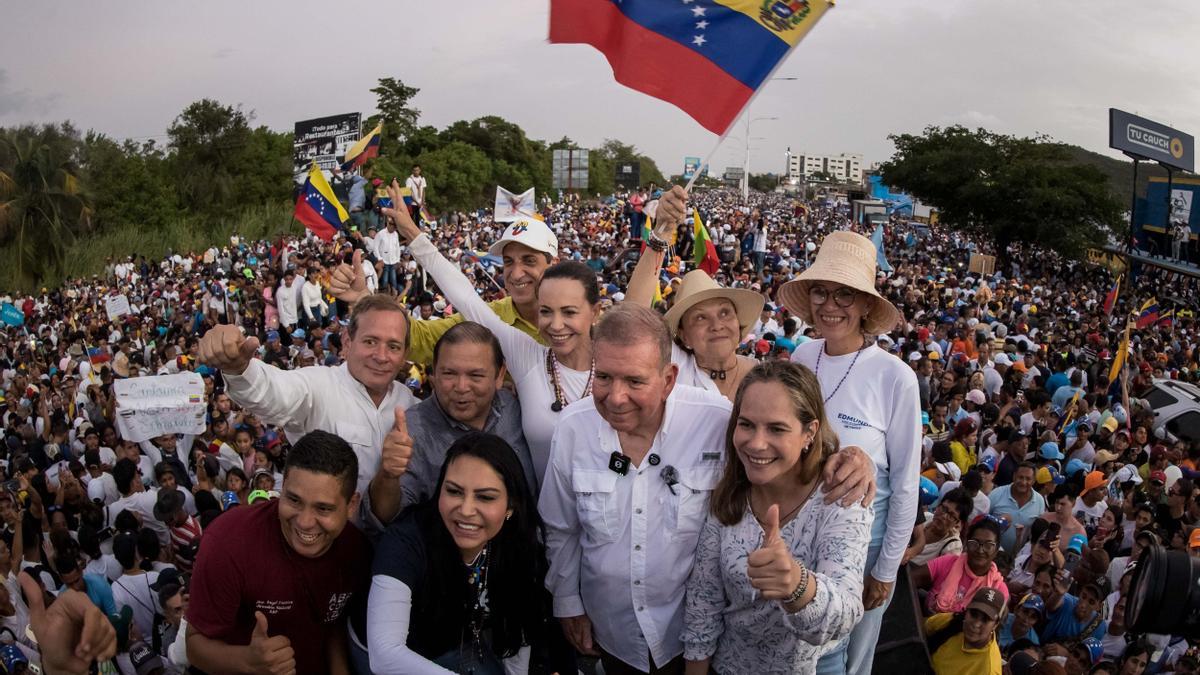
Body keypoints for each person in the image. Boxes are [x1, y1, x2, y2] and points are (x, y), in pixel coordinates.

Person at [540, 305, 874, 675]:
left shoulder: (716, 419)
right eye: (603, 377)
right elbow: (561, 528)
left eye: (634, 381)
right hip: (615, 637)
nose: (616, 397)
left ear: (668, 379)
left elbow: (782, 434)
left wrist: (855, 458)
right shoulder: (572, 429)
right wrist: (568, 603)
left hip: (693, 643)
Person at [380, 191, 599, 486]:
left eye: (570, 312)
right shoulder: (524, 352)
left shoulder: (611, 352)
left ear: (594, 312)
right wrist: (413, 236)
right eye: (508, 262)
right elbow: (464, 298)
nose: (557, 325)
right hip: (542, 519)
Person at [778, 229, 921, 675]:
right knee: (802, 653)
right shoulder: (802, 355)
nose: (830, 305)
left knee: (852, 661)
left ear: (865, 306)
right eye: (820, 291)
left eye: (845, 294)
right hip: (799, 533)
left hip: (866, 543)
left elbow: (905, 483)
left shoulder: (895, 377)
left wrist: (886, 568)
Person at [682, 361, 872, 675]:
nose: (756, 443)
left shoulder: (841, 497)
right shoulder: (730, 493)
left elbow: (847, 612)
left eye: (776, 428)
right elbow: (704, 602)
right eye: (746, 424)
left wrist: (798, 587)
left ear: (809, 432)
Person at [197, 293, 417, 529]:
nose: (381, 356)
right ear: (347, 341)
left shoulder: (410, 403)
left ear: (404, 354)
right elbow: (274, 391)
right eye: (370, 341)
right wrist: (240, 368)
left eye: (393, 346)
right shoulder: (317, 385)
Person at [367, 432, 563, 673]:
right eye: (454, 492)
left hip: (458, 649)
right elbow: (384, 655)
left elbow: (517, 628)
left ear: (511, 506)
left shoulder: (518, 545)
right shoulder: (406, 540)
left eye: (485, 497)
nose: (466, 510)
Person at [186, 430, 371, 675]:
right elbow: (194, 646)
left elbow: (334, 622)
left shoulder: (356, 550)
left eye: (323, 508)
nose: (304, 522)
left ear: (351, 505)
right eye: (294, 500)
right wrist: (248, 661)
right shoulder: (228, 542)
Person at [402, 322, 537, 505]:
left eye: (476, 376)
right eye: (449, 373)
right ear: (435, 372)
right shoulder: (410, 432)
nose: (461, 387)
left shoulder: (519, 407)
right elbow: (392, 517)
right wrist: (387, 479)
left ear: (499, 375)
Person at [912, 515, 1010, 615]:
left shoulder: (999, 590)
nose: (980, 550)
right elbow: (910, 580)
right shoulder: (948, 562)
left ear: (997, 550)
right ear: (966, 544)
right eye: (975, 543)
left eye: (988, 545)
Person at [924, 586, 1005, 675]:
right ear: (966, 611)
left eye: (985, 620)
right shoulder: (955, 620)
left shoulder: (990, 670)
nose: (976, 624)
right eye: (974, 614)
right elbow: (924, 627)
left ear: (995, 625)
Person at [989, 462, 1046, 553]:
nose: (1023, 482)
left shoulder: (1039, 501)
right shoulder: (996, 494)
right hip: (993, 554)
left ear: (1034, 480)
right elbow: (983, 522)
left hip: (1019, 559)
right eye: (1020, 477)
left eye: (1028, 479)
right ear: (1014, 476)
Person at [912, 489, 972, 566]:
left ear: (957, 522)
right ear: (938, 505)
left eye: (951, 515)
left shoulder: (952, 547)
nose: (944, 516)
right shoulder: (925, 517)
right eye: (944, 508)